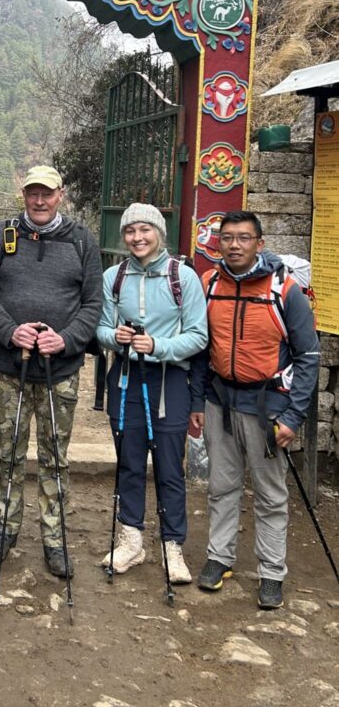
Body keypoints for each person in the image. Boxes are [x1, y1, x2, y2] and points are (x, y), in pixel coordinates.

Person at [0, 165, 102, 578]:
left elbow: (92, 302)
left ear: (60, 194)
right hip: (10, 368)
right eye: (33, 193)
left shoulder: (82, 240)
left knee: (55, 457)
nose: (40, 201)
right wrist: (11, 332)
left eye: (47, 193)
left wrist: (65, 339)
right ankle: (5, 529)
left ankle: (54, 537)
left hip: (59, 370)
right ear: (23, 195)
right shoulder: (0, 235)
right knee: (9, 453)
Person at [193, 210, 319, 609]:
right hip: (220, 401)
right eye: (227, 238)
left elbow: (309, 355)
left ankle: (271, 573)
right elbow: (200, 348)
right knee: (222, 485)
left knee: (269, 493)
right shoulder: (209, 283)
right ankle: (219, 557)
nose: (234, 245)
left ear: (259, 244)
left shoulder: (284, 291)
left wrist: (293, 416)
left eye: (244, 238)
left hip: (268, 407)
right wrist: (198, 401)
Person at [96, 203, 208, 584]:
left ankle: (172, 545)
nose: (137, 238)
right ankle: (131, 539)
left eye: (145, 230)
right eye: (130, 231)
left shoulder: (183, 277)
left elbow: (198, 335)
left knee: (168, 467)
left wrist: (157, 346)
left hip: (169, 382)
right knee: (128, 461)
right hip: (126, 378)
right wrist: (117, 337)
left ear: (159, 233)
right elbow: (100, 328)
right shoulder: (114, 276)